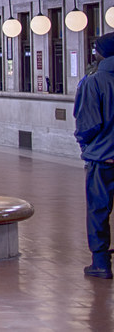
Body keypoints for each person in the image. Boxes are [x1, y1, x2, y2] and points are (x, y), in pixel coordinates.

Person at [73, 31, 114, 279]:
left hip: (103, 159)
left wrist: (84, 146)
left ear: (102, 53)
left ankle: (100, 262)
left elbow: (88, 125)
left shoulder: (94, 81)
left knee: (99, 211)